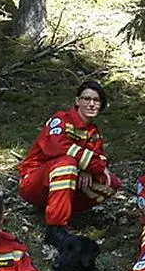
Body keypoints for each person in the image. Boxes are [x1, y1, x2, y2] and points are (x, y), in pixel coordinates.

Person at [18, 81, 121, 240]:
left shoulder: (94, 133)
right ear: (77, 101)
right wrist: (88, 165)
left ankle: (66, 210)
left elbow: (101, 160)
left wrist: (87, 168)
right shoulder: (60, 120)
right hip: (34, 182)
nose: (91, 104)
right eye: (86, 99)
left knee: (111, 182)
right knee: (67, 164)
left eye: (96, 100)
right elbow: (57, 147)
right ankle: (56, 228)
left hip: (65, 179)